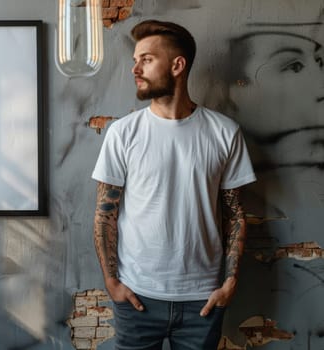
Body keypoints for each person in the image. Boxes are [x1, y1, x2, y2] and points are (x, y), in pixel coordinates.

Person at [91, 20, 257, 349]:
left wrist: (229, 283)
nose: (135, 68)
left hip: (203, 301)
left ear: (177, 65)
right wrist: (112, 282)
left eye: (146, 59)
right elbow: (104, 214)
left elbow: (235, 214)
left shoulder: (224, 132)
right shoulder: (123, 133)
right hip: (136, 297)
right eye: (135, 59)